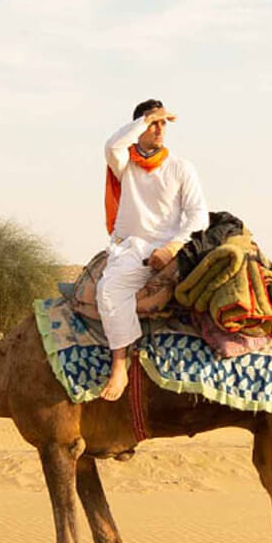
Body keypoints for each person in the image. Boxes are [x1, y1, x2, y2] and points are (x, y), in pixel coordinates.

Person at [98, 98, 209, 400]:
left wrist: (174, 246)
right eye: (153, 123)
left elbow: (199, 215)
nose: (160, 129)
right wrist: (144, 120)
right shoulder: (126, 164)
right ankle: (119, 364)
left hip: (170, 246)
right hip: (131, 248)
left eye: (163, 123)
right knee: (108, 291)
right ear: (139, 129)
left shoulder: (180, 168)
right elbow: (112, 145)